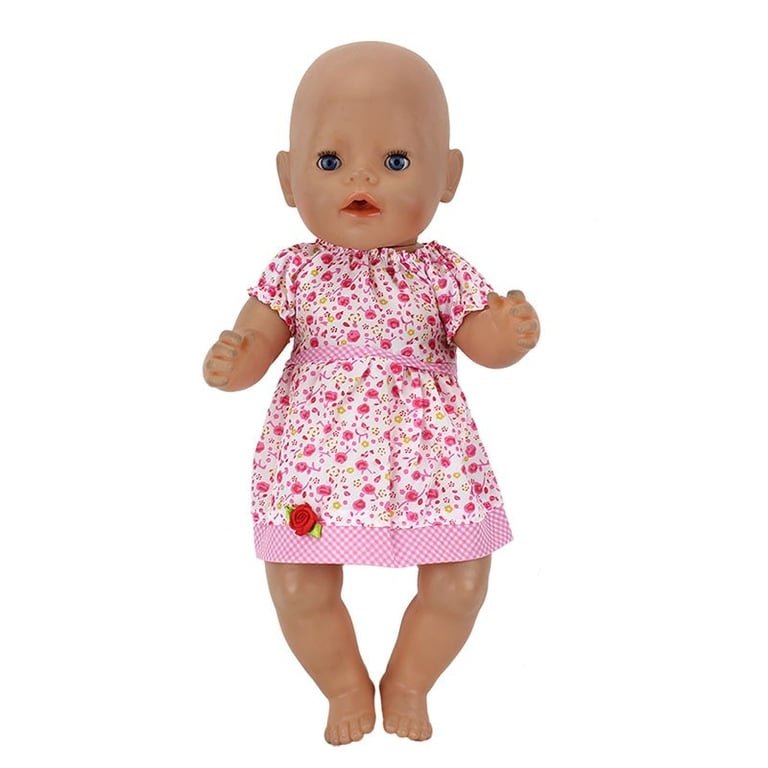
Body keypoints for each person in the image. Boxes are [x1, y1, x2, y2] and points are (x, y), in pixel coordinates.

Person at [202, 41, 540, 746]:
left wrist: (507, 335)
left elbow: (481, 343)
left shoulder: (443, 271)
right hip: (315, 463)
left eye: (397, 161)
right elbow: (257, 339)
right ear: (287, 178)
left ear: (448, 177)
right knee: (298, 584)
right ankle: (343, 683)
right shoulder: (292, 272)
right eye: (330, 160)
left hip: (430, 461)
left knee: (461, 580)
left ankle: (410, 680)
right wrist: (235, 359)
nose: (362, 176)